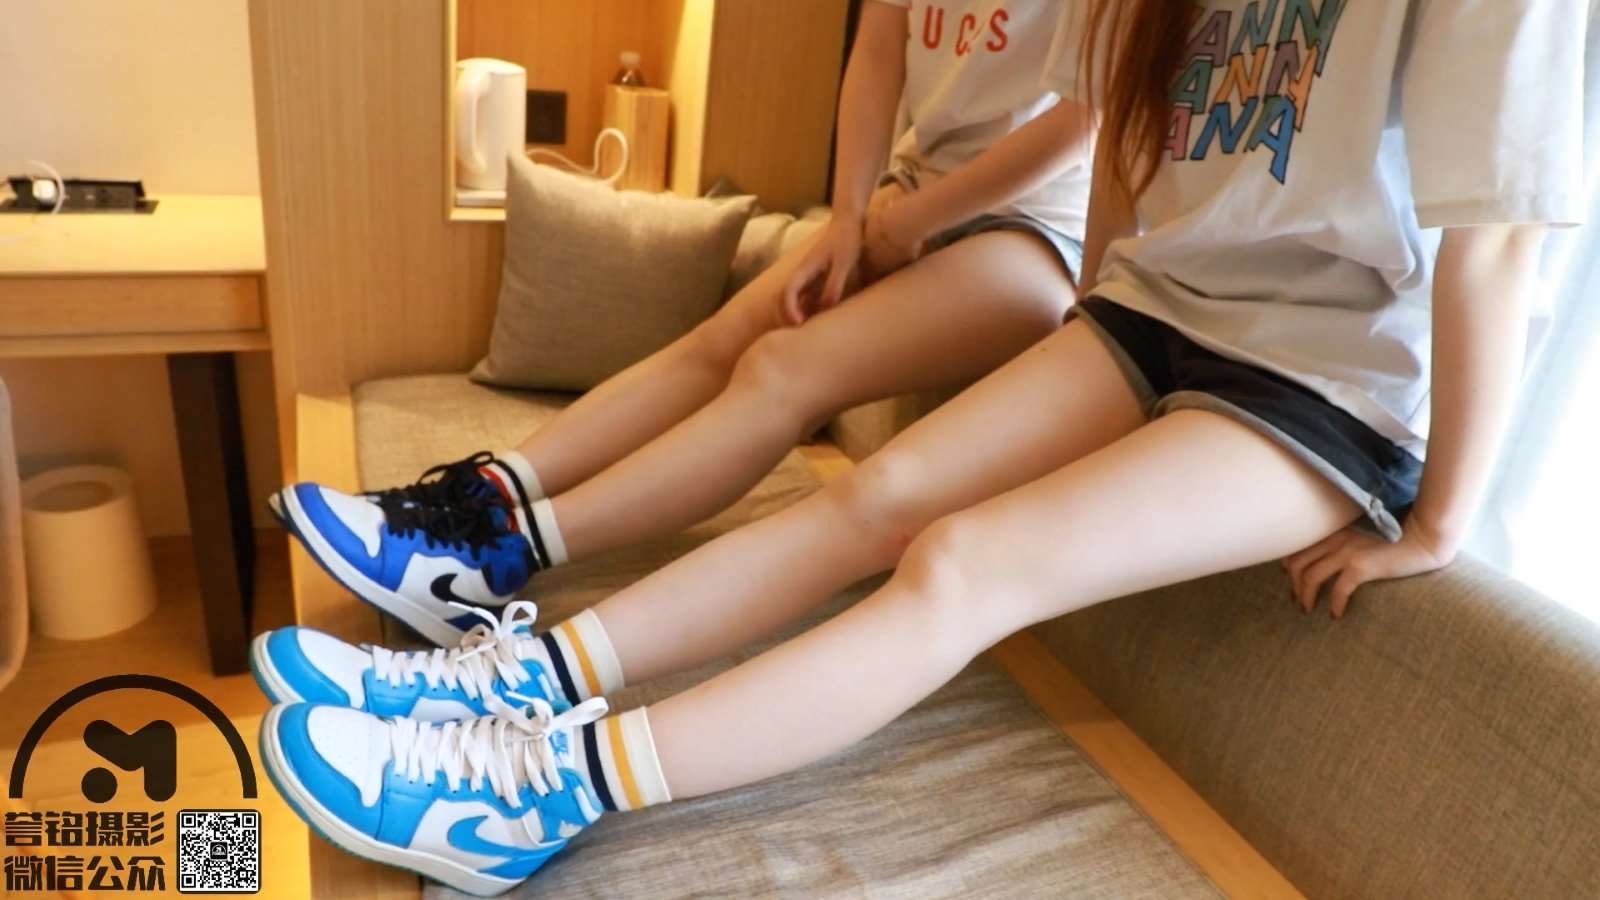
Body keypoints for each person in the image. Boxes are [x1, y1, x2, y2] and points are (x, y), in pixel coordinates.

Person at [252, 0, 1586, 895]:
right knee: (875, 495)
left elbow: (1498, 240)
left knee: (961, 559)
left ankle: (540, 791)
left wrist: (1438, 521)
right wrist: (1092, 329)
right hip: (1156, 309)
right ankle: (524, 677)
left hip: (1326, 384)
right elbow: (1128, 154)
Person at [268, 0, 1095, 646]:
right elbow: (879, 45)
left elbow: (1084, 117)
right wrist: (850, 214)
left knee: (783, 369)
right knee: (720, 341)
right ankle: (482, 496)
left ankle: (498, 555)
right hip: (907, 192)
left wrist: (909, 224)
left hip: (1035, 232)